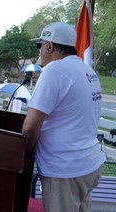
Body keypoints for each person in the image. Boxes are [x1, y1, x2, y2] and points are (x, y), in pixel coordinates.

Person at [21, 22, 105, 212]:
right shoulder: (88, 71)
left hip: (65, 171)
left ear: (49, 46)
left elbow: (30, 127)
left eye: (40, 45)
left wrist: (20, 156)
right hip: (90, 164)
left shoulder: (54, 70)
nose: (40, 51)